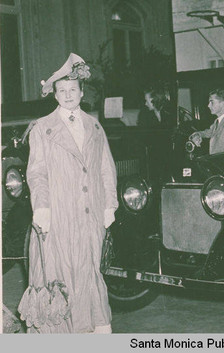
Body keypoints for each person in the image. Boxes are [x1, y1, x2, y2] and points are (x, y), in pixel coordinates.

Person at [19, 53, 118, 333]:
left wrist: (109, 204)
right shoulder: (42, 128)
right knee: (60, 275)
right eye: (61, 91)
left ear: (82, 92)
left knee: (89, 273)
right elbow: (36, 172)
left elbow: (105, 169)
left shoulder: (95, 126)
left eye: (72, 90)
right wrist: (42, 207)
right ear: (55, 95)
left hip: (90, 217)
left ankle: (93, 330)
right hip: (58, 216)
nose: (67, 95)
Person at [189, 88, 224, 154]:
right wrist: (197, 135)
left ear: (222, 104)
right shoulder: (217, 122)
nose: (208, 105)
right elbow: (208, 133)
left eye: (212, 102)